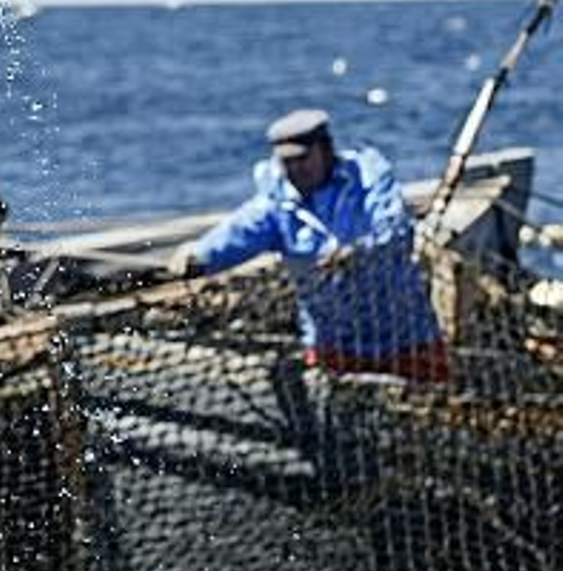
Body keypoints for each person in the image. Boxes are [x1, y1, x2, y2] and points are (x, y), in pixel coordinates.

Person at [170, 108, 449, 381]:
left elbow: (395, 227)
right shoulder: (277, 204)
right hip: (334, 349)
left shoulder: (367, 178)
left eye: (303, 159)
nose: (296, 169)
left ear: (325, 150)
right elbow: (241, 232)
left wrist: (358, 252)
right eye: (287, 162)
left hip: (407, 339)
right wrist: (199, 255)